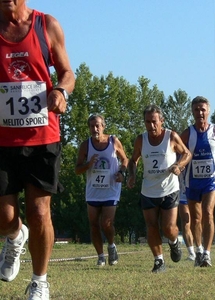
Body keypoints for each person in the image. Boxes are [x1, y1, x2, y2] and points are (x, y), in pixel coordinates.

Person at [0, 1, 75, 299]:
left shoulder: (47, 26)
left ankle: (39, 280)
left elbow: (68, 73)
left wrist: (60, 90)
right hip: (3, 140)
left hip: (42, 136)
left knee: (39, 211)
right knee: (4, 217)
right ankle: (16, 237)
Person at [127, 105, 192, 273]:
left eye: (154, 122)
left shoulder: (171, 137)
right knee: (151, 226)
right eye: (147, 122)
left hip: (169, 188)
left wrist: (178, 165)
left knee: (169, 228)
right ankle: (159, 261)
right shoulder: (141, 140)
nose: (151, 126)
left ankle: (174, 242)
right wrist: (132, 175)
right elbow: (133, 160)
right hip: (148, 189)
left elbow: (187, 154)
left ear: (161, 121)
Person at [180, 96, 215, 267]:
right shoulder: (187, 133)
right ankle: (199, 250)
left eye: (203, 109)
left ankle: (207, 253)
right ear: (192, 112)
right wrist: (179, 165)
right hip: (192, 181)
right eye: (196, 109)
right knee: (195, 219)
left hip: (211, 181)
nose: (200, 112)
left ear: (208, 111)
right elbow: (178, 151)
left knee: (208, 213)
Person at [75, 115, 129, 266]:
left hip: (111, 188)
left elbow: (125, 160)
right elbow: (77, 170)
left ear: (103, 126)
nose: (95, 129)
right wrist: (88, 164)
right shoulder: (86, 145)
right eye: (92, 126)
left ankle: (111, 246)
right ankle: (100, 256)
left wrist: (122, 173)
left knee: (106, 223)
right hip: (93, 190)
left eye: (97, 125)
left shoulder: (113, 141)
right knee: (93, 224)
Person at [178, 173, 196, 261]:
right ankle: (192, 253)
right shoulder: (176, 158)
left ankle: (201, 249)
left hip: (197, 190)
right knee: (185, 221)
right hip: (183, 192)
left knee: (198, 220)